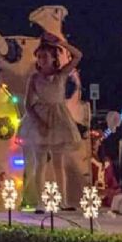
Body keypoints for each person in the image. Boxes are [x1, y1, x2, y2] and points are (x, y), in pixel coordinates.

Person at [21, 33, 83, 212]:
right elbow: (28, 104)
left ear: (53, 57)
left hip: (59, 117)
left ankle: (62, 201)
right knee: (40, 162)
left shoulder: (61, 74)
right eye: (39, 57)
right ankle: (41, 202)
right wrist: (38, 122)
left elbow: (78, 56)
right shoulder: (34, 78)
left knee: (58, 162)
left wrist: (61, 43)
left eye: (45, 56)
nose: (42, 60)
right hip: (40, 117)